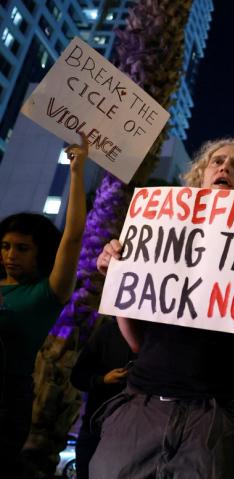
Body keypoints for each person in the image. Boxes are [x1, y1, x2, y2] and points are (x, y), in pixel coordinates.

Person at [89, 137, 234, 479]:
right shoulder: (158, 232)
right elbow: (136, 343)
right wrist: (120, 279)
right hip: (143, 406)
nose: (225, 167)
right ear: (200, 176)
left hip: (220, 420)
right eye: (217, 161)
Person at [0, 133, 88, 477]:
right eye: (5, 246)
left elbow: (74, 235)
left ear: (41, 253)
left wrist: (77, 171)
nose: (10, 255)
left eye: (22, 248)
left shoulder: (45, 293)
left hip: (7, 402)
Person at [70, 317, 136, 479]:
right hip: (96, 428)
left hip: (133, 433)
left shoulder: (157, 338)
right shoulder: (107, 332)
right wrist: (103, 380)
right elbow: (78, 377)